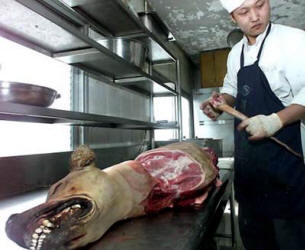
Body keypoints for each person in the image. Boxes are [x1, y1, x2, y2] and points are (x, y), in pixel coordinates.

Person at [200, 0, 305, 249]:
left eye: (260, 5)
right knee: (255, 240)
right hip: (250, 171)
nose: (256, 16)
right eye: (244, 12)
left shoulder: (295, 41)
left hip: (287, 165)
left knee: (291, 240)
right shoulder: (235, 52)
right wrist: (220, 102)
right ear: (232, 18)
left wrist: (275, 120)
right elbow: (231, 90)